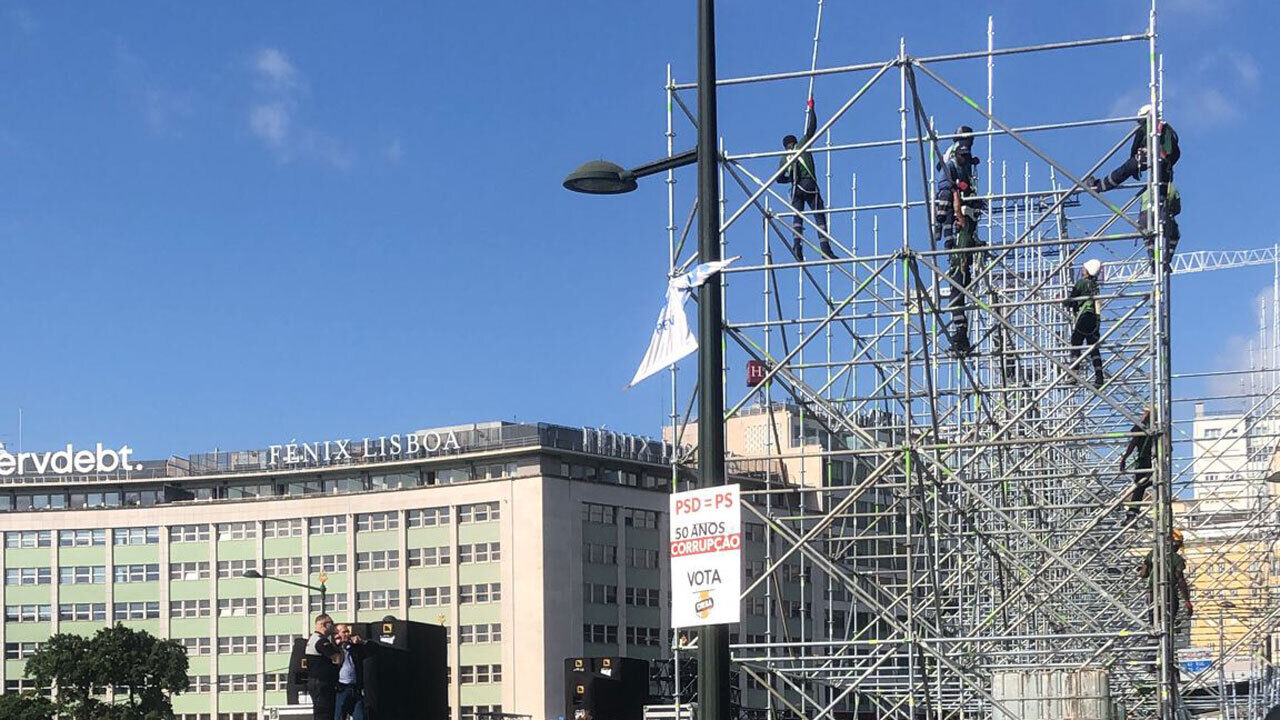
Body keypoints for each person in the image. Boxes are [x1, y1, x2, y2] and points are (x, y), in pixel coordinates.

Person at [1087, 104, 1182, 270]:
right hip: (1164, 170)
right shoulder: (1168, 130)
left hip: (1149, 160)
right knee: (1164, 222)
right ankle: (1162, 261)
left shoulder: (1148, 128)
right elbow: (1175, 153)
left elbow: (1134, 150)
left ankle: (1100, 185)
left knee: (1123, 172)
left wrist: (1135, 164)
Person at [934, 125, 985, 355]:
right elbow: (945, 195)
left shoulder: (963, 165)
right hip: (960, 229)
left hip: (967, 231)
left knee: (960, 282)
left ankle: (961, 336)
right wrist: (943, 230)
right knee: (957, 282)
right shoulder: (952, 164)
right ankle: (960, 335)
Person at [778, 97, 832, 260]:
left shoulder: (783, 158)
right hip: (809, 184)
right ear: (794, 142)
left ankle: (797, 247)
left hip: (795, 190)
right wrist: (812, 109)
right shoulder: (801, 146)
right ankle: (825, 249)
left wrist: (791, 178)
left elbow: (779, 179)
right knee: (819, 215)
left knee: (797, 218)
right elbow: (811, 128)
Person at [1139, 528, 1193, 630]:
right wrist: (1187, 601)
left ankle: (1154, 630)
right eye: (1177, 544)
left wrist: (1142, 572)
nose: (1177, 548)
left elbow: (1143, 573)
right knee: (1170, 613)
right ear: (1172, 542)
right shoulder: (1176, 559)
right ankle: (1169, 626)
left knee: (1153, 614)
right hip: (1169, 593)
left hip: (1152, 591)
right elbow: (1180, 580)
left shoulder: (1153, 553)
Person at [1064, 259, 1105, 386]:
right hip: (1094, 320)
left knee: (1076, 342)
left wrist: (1065, 301)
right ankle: (1099, 377)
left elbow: (1071, 300)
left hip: (1084, 316)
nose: (1082, 270)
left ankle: (1074, 374)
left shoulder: (1082, 283)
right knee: (1093, 348)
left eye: (1084, 268)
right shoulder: (1095, 286)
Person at [304, 613, 342, 720]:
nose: (333, 626)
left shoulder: (313, 638)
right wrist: (341, 647)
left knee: (322, 712)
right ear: (323, 624)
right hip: (322, 683)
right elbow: (337, 658)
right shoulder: (321, 641)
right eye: (331, 623)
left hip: (317, 682)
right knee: (325, 713)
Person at [1119, 407, 1155, 520]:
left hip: (1144, 460)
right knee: (1154, 484)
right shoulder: (1158, 428)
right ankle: (1135, 511)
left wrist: (1124, 458)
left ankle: (1132, 512)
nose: (1143, 415)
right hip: (1155, 461)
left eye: (1145, 413)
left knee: (1139, 486)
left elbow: (1133, 444)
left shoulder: (1142, 427)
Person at [334, 624, 369, 720]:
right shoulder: (334, 648)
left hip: (355, 687)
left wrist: (361, 642)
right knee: (340, 715)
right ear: (336, 635)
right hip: (342, 687)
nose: (347, 634)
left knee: (359, 715)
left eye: (347, 632)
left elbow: (371, 650)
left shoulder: (354, 647)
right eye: (343, 632)